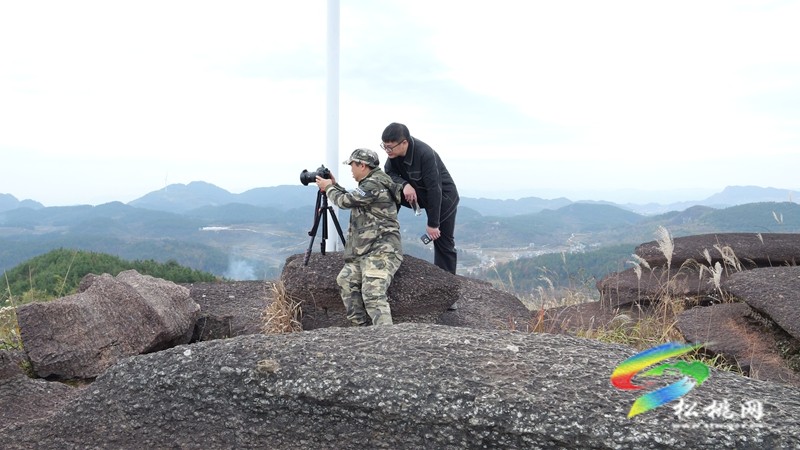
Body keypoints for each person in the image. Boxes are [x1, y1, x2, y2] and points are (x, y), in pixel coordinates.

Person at [315, 148, 403, 326]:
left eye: (352, 165)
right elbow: (353, 197)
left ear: (362, 165)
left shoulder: (375, 184)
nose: (351, 170)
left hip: (382, 250)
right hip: (365, 250)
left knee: (373, 294)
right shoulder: (371, 183)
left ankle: (389, 341)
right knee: (345, 280)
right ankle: (359, 331)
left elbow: (345, 201)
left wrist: (329, 187)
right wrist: (334, 185)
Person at [381, 122, 459, 274]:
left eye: (390, 147)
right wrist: (404, 184)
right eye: (384, 146)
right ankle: (384, 227)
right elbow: (389, 174)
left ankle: (447, 282)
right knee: (389, 190)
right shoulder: (393, 156)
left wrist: (433, 224)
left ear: (404, 143)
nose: (387, 151)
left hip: (443, 198)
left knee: (443, 241)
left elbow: (435, 189)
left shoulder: (425, 153)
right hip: (417, 194)